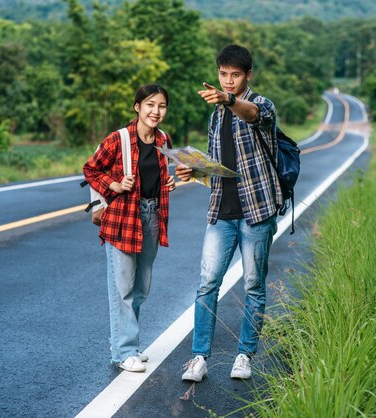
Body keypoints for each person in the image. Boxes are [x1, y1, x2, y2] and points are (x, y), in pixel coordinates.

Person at [176, 44, 282, 381]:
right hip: (221, 212)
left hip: (257, 211)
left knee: (253, 285)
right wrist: (194, 172)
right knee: (207, 283)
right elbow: (216, 168)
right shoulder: (215, 115)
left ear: (247, 75)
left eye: (235, 75)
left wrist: (230, 101)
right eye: (223, 75)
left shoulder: (261, 105)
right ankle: (199, 357)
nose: (228, 81)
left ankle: (245, 355)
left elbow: (253, 115)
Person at [83, 83, 176, 372]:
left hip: (151, 215)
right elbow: (90, 169)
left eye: (161, 106)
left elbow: (157, 176)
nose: (155, 111)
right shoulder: (118, 139)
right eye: (150, 105)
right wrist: (113, 184)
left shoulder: (163, 140)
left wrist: (167, 184)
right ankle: (123, 352)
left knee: (141, 287)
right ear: (137, 107)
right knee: (122, 287)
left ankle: (130, 344)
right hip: (123, 218)